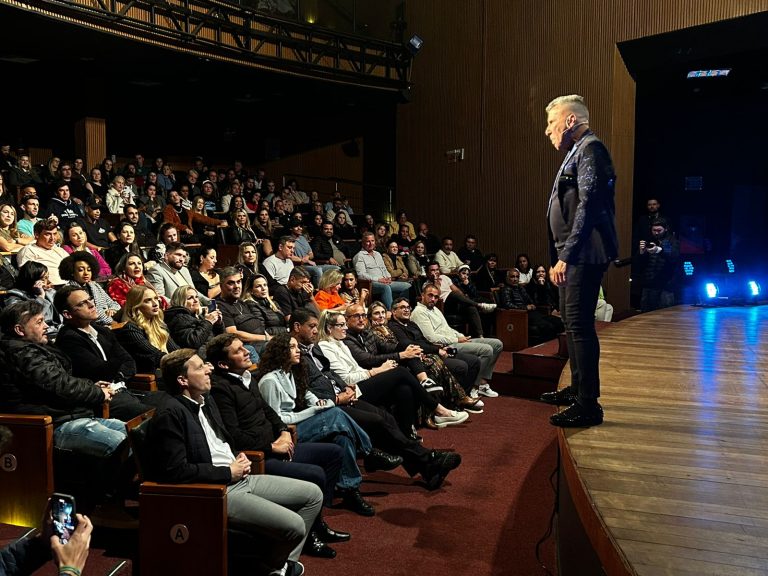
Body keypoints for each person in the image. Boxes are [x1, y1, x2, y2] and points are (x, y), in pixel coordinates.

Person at [146, 348, 322, 576]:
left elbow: (220, 440)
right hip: (218, 490)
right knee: (295, 525)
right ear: (182, 380)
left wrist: (236, 455)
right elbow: (175, 470)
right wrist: (228, 472)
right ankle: (275, 566)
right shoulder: (170, 414)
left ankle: (278, 566)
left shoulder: (204, 400)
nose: (209, 369)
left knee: (313, 495)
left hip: (240, 475)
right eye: (200, 367)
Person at [206, 334, 350, 558]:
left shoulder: (247, 378)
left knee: (334, 453)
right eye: (238, 351)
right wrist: (272, 447)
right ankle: (308, 537)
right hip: (260, 457)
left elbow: (268, 412)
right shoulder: (221, 389)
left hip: (277, 444)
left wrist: (283, 431)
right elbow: (234, 436)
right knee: (315, 474)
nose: (246, 352)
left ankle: (316, 523)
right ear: (224, 364)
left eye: (244, 347)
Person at [290, 309, 461, 491]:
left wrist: (345, 388)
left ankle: (427, 468)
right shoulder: (293, 351)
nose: (316, 331)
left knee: (386, 414)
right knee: (378, 419)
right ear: (297, 327)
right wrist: (337, 397)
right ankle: (428, 458)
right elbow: (304, 389)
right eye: (312, 327)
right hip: (328, 406)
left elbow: (329, 374)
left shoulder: (312, 347)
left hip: (345, 393)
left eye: (317, 326)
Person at [541, 94, 618, 428]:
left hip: (583, 255)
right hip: (571, 255)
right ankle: (577, 389)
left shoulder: (591, 149)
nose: (548, 131)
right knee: (572, 325)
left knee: (581, 326)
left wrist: (567, 256)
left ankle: (589, 404)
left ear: (570, 120)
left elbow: (589, 207)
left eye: (551, 122)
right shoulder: (577, 150)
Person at [0, 300, 128, 460]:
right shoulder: (20, 353)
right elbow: (61, 385)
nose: (46, 326)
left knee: (139, 434)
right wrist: (98, 393)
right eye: (39, 322)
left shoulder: (29, 349)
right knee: (122, 443)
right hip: (53, 425)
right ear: (19, 330)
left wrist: (91, 386)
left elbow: (59, 382)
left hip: (70, 416)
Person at [340, 303, 473, 426]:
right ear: (346, 319)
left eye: (363, 315)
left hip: (384, 366)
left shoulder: (366, 333)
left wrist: (408, 350)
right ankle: (439, 409)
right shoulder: (347, 339)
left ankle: (411, 428)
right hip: (368, 374)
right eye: (357, 316)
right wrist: (401, 355)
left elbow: (388, 346)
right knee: (404, 370)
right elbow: (367, 360)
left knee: (405, 358)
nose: (361, 319)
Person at [54, 285, 151, 422]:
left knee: (171, 403)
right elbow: (101, 372)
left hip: (123, 389)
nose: (91, 304)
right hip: (103, 401)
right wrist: (116, 361)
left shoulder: (103, 331)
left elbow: (129, 361)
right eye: (82, 303)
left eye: (90, 299)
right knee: (158, 415)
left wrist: (119, 376)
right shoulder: (68, 339)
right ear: (67, 314)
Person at [368, 300, 482, 414]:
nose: (381, 315)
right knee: (438, 361)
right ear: (393, 311)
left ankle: (453, 402)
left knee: (468, 361)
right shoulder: (380, 329)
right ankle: (449, 403)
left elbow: (422, 341)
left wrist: (437, 348)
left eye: (383, 312)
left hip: (413, 355)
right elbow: (392, 347)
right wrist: (429, 351)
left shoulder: (395, 327)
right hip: (395, 361)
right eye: (377, 313)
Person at [411, 283, 502, 400]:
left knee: (497, 344)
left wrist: (461, 336)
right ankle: (476, 386)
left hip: (456, 339)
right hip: (447, 345)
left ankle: (482, 381)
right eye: (430, 295)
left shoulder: (435, 309)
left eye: (436, 296)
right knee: (487, 350)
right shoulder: (419, 312)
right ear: (422, 295)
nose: (433, 299)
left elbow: (447, 328)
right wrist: (457, 339)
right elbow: (431, 338)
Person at [113, 285, 179, 373]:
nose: (155, 304)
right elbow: (156, 356)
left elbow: (176, 351)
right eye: (148, 300)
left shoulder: (159, 326)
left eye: (155, 298)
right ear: (136, 305)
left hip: (165, 371)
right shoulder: (130, 330)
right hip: (148, 379)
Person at [498, 268, 564, 345]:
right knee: (548, 326)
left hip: (533, 313)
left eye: (517, 277)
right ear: (507, 278)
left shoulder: (520, 288)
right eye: (512, 277)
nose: (515, 279)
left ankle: (558, 346)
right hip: (521, 316)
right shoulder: (506, 289)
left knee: (559, 322)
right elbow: (508, 305)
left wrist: (532, 305)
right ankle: (545, 347)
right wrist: (525, 308)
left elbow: (530, 300)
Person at [59, 252, 121, 326]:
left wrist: (113, 309)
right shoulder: (69, 290)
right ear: (72, 271)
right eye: (81, 270)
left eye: (89, 270)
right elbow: (87, 312)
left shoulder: (94, 285)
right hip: (90, 325)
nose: (86, 273)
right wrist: (111, 322)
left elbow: (113, 303)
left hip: (109, 320)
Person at [353, 232, 410, 309]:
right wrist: (379, 280)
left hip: (385, 281)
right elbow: (361, 275)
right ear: (363, 243)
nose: (371, 243)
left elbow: (384, 269)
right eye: (368, 241)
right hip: (371, 284)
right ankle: (391, 311)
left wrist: (388, 277)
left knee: (407, 286)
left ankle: (402, 308)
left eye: (372, 241)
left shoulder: (378, 254)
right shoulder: (359, 256)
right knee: (385, 288)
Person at [4, 261, 62, 338]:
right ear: (33, 280)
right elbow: (28, 318)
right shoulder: (14, 296)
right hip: (39, 334)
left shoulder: (50, 292)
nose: (48, 282)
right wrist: (41, 297)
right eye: (44, 278)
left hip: (57, 330)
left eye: (48, 277)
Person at [637, 217, 680, 312]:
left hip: (665, 286)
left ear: (666, 229)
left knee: (664, 314)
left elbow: (672, 256)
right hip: (649, 284)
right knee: (645, 315)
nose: (656, 233)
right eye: (654, 230)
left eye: (659, 230)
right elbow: (642, 264)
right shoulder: (649, 240)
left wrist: (658, 250)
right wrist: (642, 252)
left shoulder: (670, 241)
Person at [165, 285, 223, 350]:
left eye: (196, 297)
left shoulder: (198, 315)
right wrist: (208, 322)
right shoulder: (180, 318)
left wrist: (218, 324)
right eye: (190, 298)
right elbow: (194, 342)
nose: (196, 300)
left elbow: (220, 337)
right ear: (180, 301)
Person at [16, 219, 70, 286]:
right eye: (48, 234)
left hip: (69, 285)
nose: (53, 238)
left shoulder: (59, 250)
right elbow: (28, 276)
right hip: (50, 289)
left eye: (55, 234)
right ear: (37, 235)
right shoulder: (28, 250)